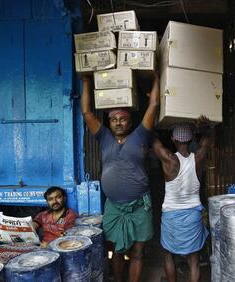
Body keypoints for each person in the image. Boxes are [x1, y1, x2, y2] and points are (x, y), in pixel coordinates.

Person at [80, 73, 160, 282]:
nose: (118, 123)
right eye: (114, 119)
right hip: (114, 207)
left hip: (139, 206)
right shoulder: (104, 137)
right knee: (115, 250)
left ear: (130, 121)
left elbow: (154, 105)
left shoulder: (140, 135)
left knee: (138, 252)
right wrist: (87, 82)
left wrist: (156, 76)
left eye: (123, 119)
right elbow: (87, 113)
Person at [151, 116, 213, 282]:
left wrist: (154, 124)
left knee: (167, 255)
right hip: (193, 215)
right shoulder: (198, 158)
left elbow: (153, 141)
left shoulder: (168, 158)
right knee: (193, 261)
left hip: (171, 216)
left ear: (173, 139)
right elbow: (206, 140)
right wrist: (205, 128)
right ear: (191, 137)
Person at [0, 186, 78, 248]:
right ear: (47, 202)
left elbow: (68, 236)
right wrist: (5, 233)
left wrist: (50, 244)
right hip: (43, 248)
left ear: (64, 198)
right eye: (50, 199)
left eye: (58, 197)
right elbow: (30, 227)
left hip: (61, 248)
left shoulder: (71, 215)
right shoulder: (43, 215)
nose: (55, 202)